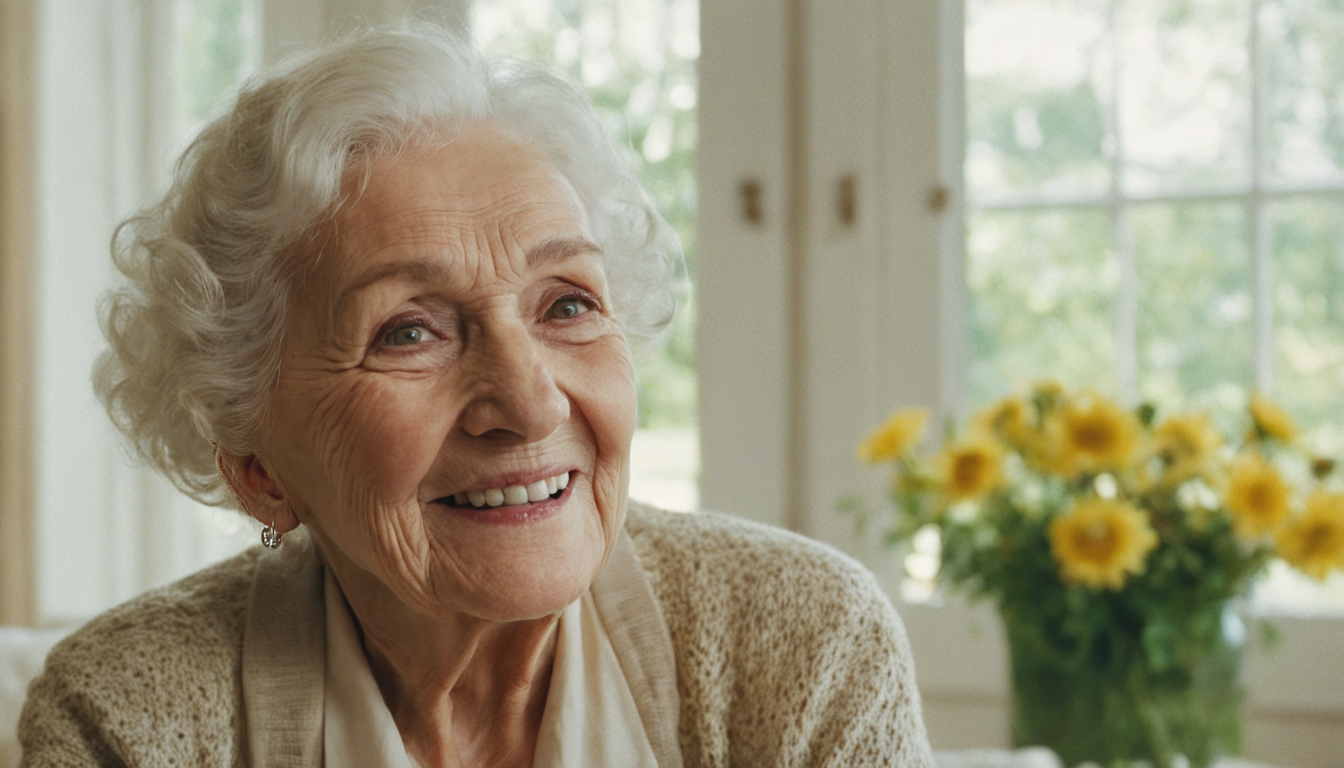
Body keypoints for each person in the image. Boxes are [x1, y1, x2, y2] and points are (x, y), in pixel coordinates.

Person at [19, 23, 933, 767]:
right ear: (258, 468)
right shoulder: (128, 719)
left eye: (568, 304)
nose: (531, 405)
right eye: (408, 331)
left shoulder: (805, 647)